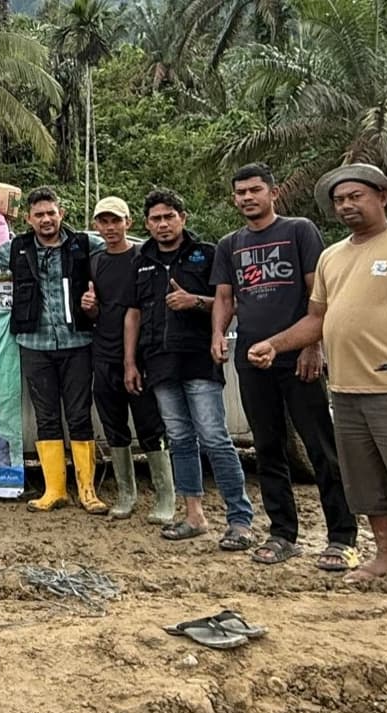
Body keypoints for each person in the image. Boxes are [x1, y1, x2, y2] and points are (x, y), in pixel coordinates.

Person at [248, 163, 387, 606]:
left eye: (355, 196)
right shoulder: (333, 256)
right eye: (339, 200)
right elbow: (318, 320)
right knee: (367, 485)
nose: (346, 205)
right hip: (345, 391)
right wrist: (276, 343)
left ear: (383, 196)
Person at [212, 163, 357, 568]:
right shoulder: (230, 245)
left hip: (298, 358)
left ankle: (342, 537)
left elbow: (319, 296)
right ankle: (282, 534)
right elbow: (225, 297)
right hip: (251, 360)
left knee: (320, 447)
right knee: (268, 448)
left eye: (255, 190)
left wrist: (315, 346)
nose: (247, 198)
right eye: (240, 192)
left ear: (272, 193)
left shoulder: (299, 231)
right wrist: (217, 334)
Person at [0, 186, 105, 513]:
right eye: (39, 215)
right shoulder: (19, 248)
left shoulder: (84, 244)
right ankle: (55, 489)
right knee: (47, 416)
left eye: (51, 213)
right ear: (28, 219)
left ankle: (88, 491)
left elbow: (118, 250)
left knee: (79, 414)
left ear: (61, 214)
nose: (46, 219)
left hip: (78, 342)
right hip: (34, 344)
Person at [124, 188, 254, 548]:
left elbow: (231, 303)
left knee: (215, 439)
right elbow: (133, 314)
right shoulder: (141, 259)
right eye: (155, 218)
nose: (162, 224)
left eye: (169, 216)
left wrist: (194, 300)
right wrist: (130, 362)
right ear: (146, 223)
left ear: (183, 217)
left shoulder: (209, 254)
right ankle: (194, 516)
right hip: (159, 363)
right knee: (180, 440)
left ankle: (240, 520)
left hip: (199, 360)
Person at [81, 196, 174, 522]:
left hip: (140, 355)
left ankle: (165, 496)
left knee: (150, 423)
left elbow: (140, 309)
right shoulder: (95, 262)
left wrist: (131, 360)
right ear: (96, 226)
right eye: (104, 222)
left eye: (116, 221)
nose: (110, 228)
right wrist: (90, 307)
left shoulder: (143, 257)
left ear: (129, 223)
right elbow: (95, 311)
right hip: (103, 353)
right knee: (113, 424)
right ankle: (126, 493)